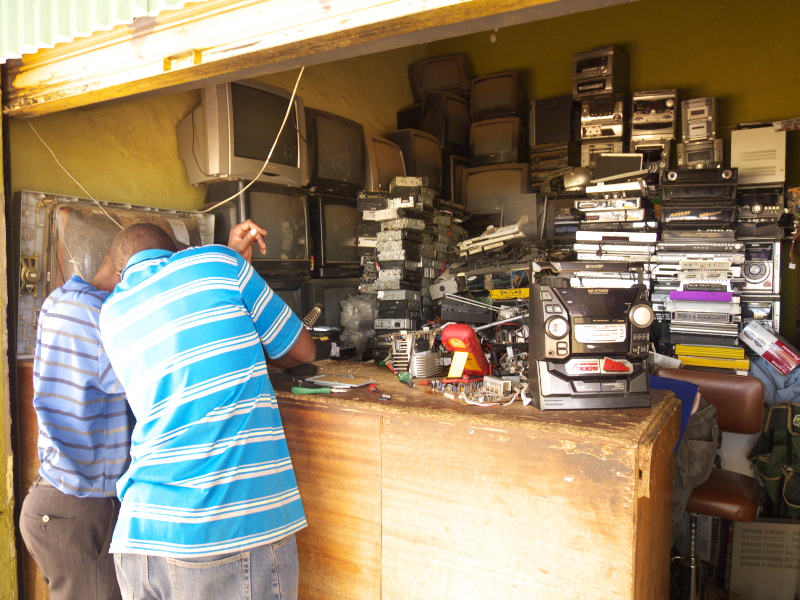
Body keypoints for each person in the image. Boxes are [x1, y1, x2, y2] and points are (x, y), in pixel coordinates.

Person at [19, 219, 271, 600]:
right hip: (77, 509)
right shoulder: (96, 314)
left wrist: (229, 260)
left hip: (66, 502)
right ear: (129, 272)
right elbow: (163, 375)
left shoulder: (66, 300)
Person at [98, 222, 316, 600]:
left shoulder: (111, 313)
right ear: (176, 251)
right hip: (223, 528)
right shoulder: (218, 262)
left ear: (122, 274)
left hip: (139, 536)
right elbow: (303, 350)